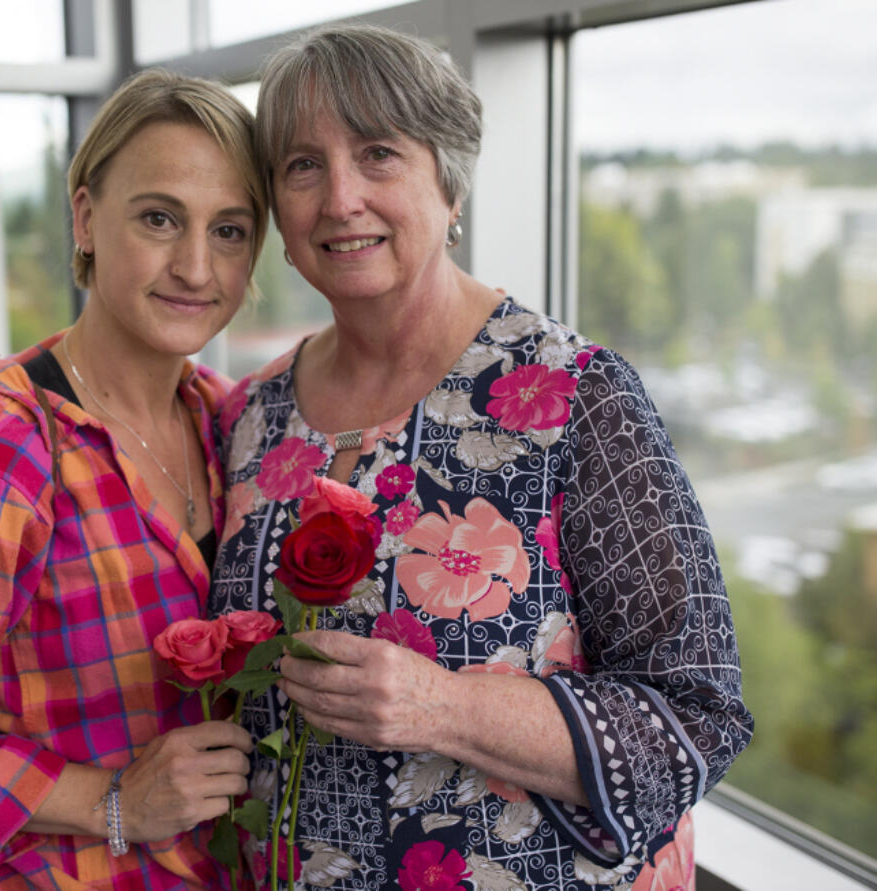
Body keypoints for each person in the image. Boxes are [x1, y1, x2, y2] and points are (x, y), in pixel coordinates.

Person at [210, 23, 753, 891]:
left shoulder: (576, 396)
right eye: (302, 164)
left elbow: (699, 716)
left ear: (449, 180)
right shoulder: (252, 416)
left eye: (378, 153)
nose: (340, 196)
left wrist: (446, 707)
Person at [0, 68, 268, 890]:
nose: (196, 267)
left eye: (231, 230)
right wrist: (113, 802)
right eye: (160, 217)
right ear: (85, 215)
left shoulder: (227, 422)